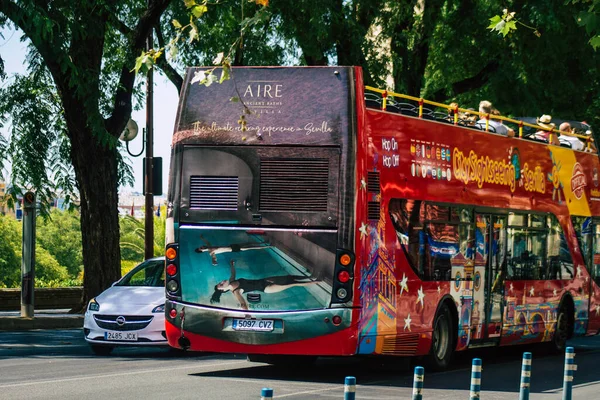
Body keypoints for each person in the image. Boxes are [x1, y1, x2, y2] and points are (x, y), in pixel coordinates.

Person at [210, 260, 321, 310]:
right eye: (221, 285)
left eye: (219, 283)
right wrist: (247, 315)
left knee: (289, 278)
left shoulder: (232, 280)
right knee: (292, 283)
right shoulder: (236, 291)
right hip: (266, 288)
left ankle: (311, 276)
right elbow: (243, 303)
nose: (221, 282)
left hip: (265, 280)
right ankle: (315, 281)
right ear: (223, 290)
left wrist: (232, 265)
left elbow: (233, 273)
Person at [196, 234, 272, 265]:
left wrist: (202, 238)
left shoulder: (209, 246)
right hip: (233, 249)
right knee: (251, 247)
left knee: (249, 243)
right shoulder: (211, 252)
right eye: (201, 248)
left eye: (201, 246)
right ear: (201, 251)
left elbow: (207, 242)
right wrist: (214, 261)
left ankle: (264, 242)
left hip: (232, 246)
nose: (202, 246)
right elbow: (214, 258)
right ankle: (268, 246)